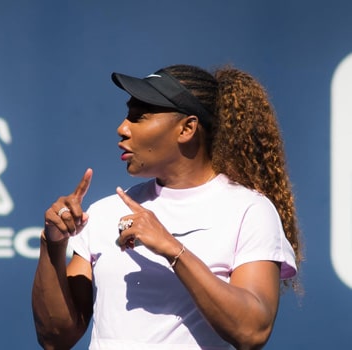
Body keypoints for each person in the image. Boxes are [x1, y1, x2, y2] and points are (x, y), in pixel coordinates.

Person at [32, 64, 302, 349]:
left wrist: (172, 249)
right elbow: (55, 338)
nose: (122, 128)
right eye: (127, 115)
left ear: (187, 128)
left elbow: (252, 332)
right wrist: (53, 243)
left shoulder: (250, 211)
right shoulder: (103, 213)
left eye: (139, 117)